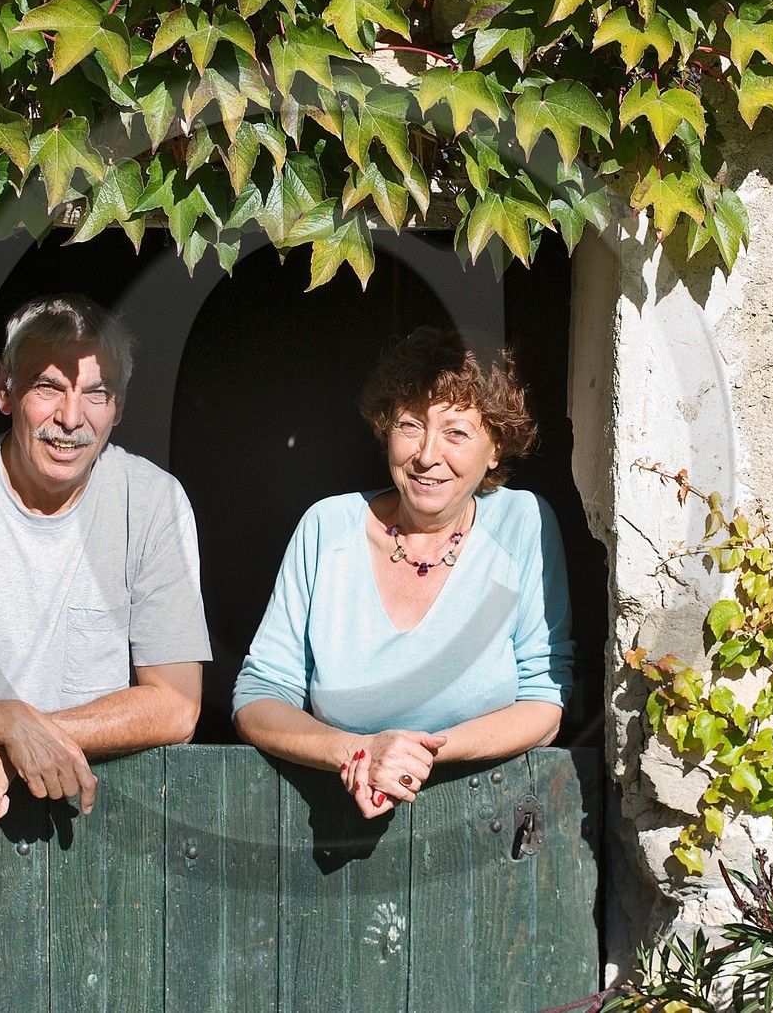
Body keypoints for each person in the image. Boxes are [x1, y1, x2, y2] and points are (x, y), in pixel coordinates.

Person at [0, 294, 210, 828]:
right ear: (4, 389)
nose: (71, 419)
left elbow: (177, 705)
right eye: (48, 387)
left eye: (96, 394)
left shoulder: (153, 503)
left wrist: (17, 740)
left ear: (119, 407)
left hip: (104, 824)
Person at [233, 327, 574, 818]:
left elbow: (544, 701)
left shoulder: (522, 524)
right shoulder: (327, 529)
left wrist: (418, 755)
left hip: (489, 820)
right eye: (410, 425)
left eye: (456, 432)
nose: (428, 455)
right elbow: (258, 697)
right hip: (328, 818)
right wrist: (360, 753)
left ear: (496, 448)